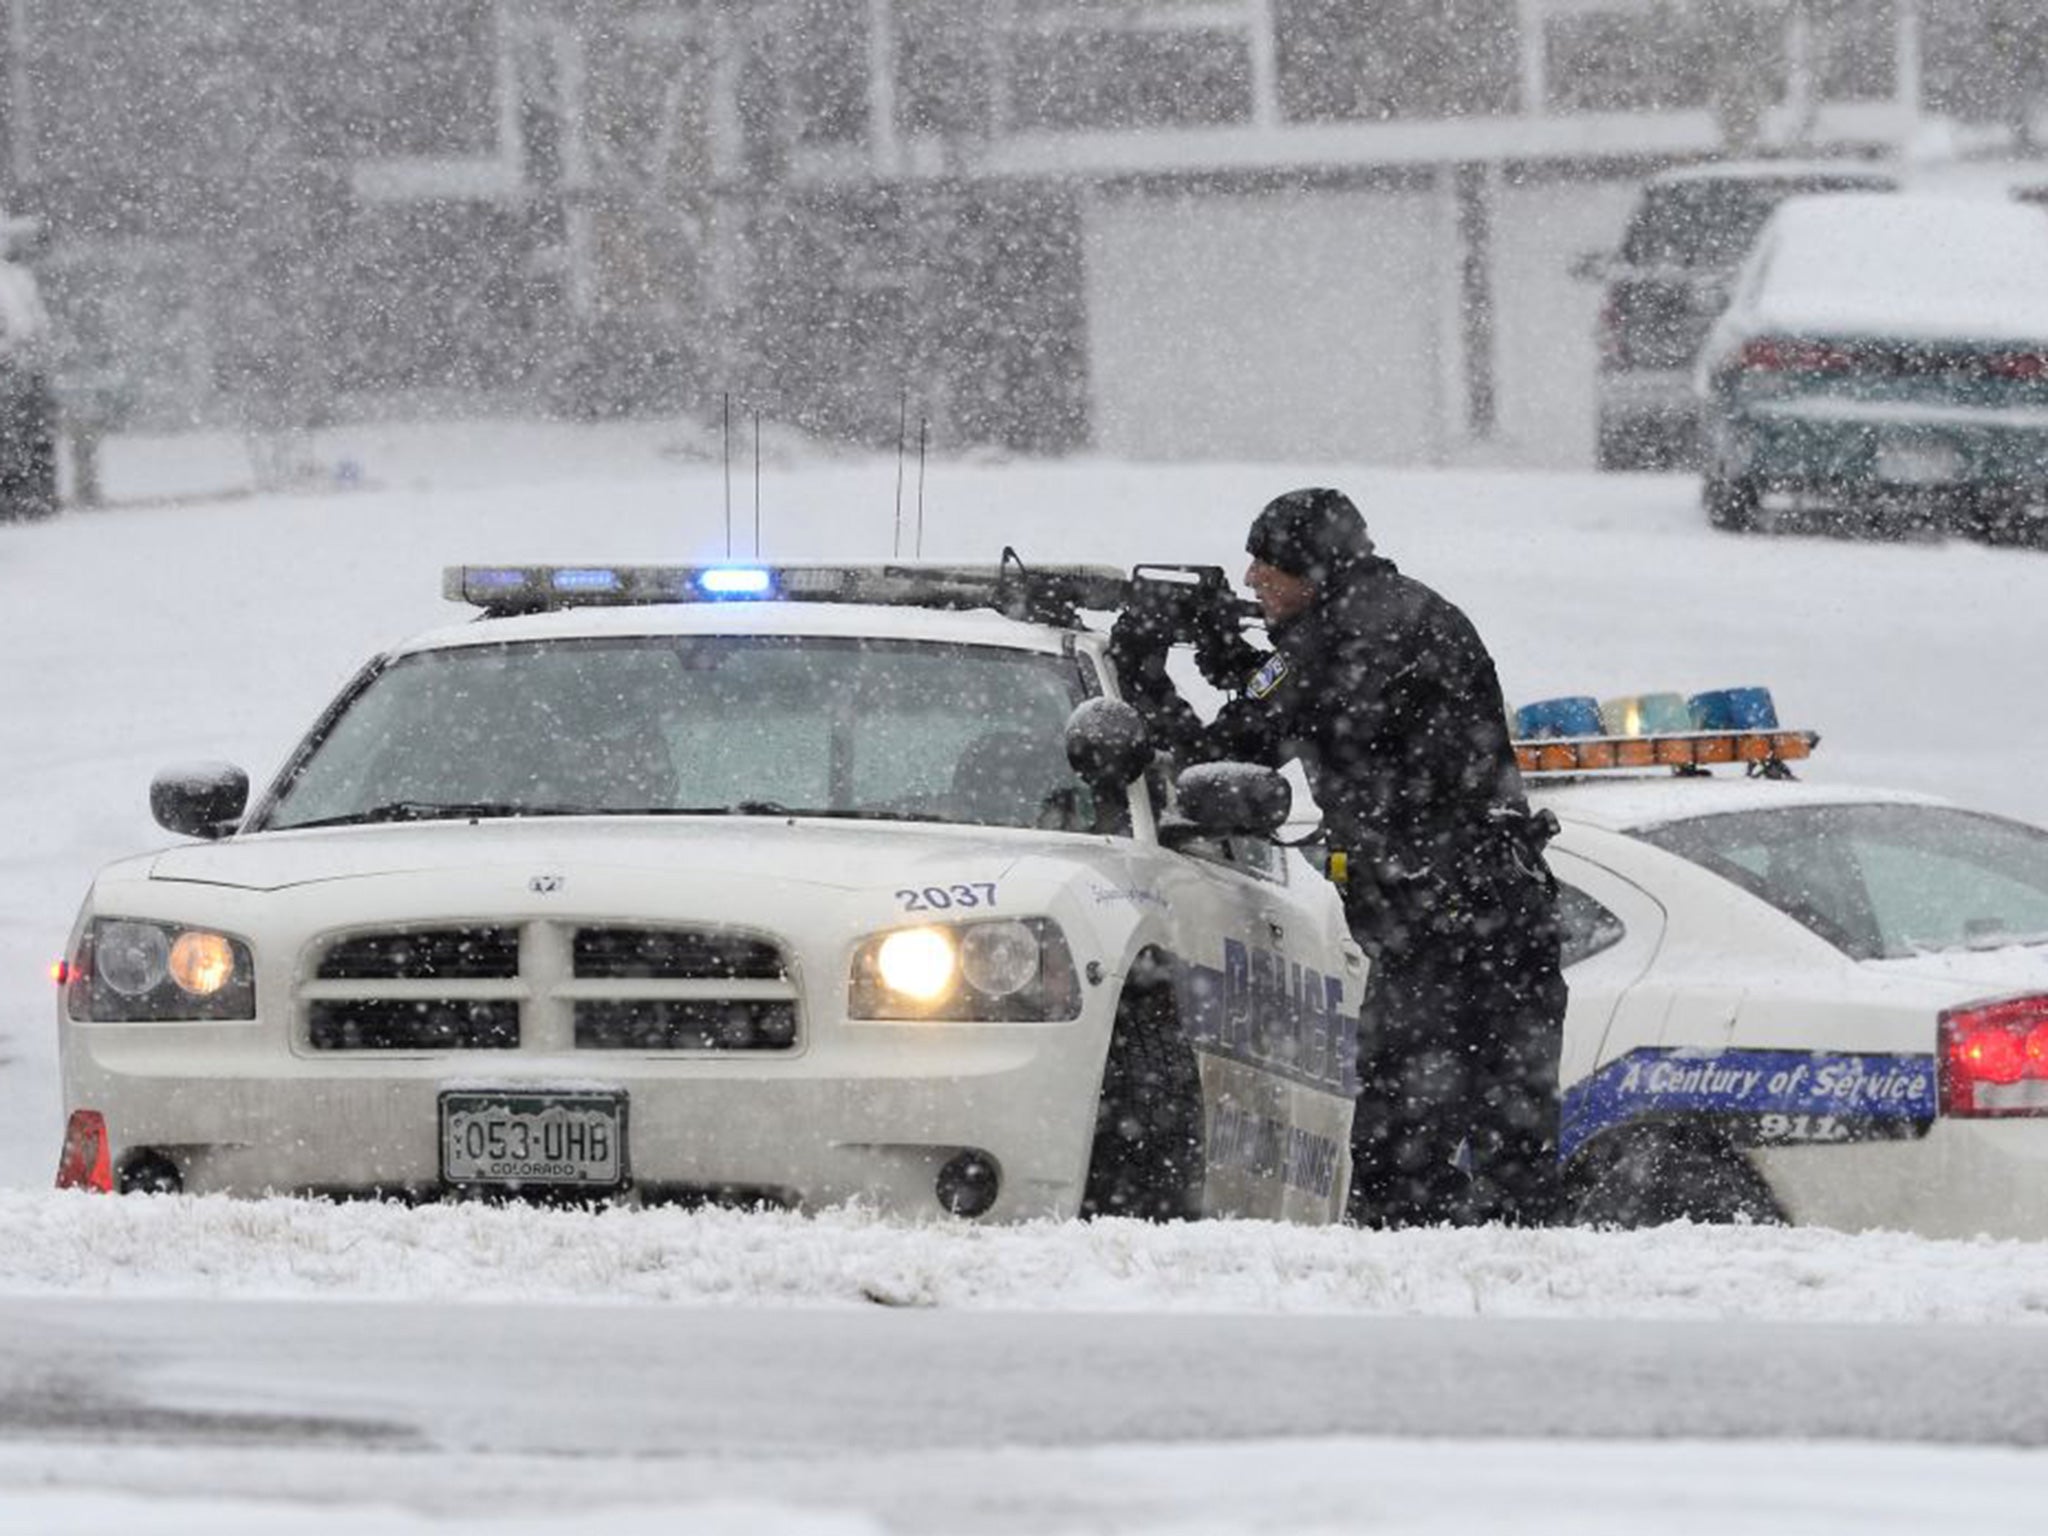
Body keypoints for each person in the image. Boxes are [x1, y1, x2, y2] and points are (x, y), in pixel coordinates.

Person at [1108, 487, 1565, 1227]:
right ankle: (1526, 1304)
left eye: (1267, 563)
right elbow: (1316, 701)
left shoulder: (1342, 640)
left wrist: (1147, 676)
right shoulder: (1404, 612)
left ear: (1311, 569)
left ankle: (1419, 1319)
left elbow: (1223, 752)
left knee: (1398, 1166)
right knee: (1515, 1154)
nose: (1252, 578)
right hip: (1502, 916)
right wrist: (1238, 659)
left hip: (1441, 931)